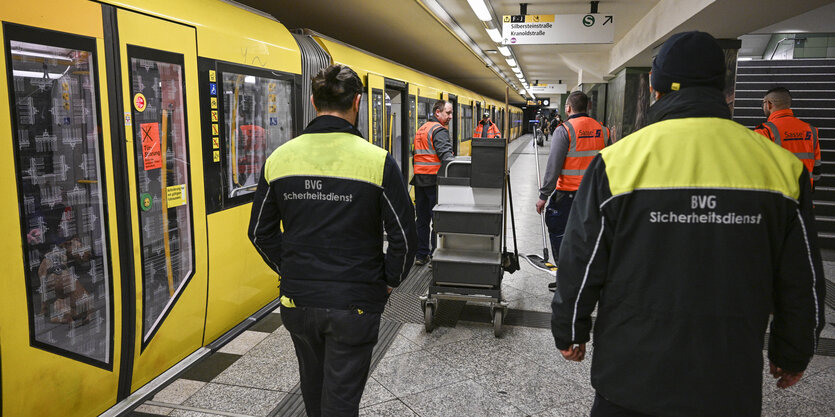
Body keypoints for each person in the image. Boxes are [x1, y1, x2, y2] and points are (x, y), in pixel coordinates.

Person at [550, 31, 826, 417]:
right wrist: (794, 349)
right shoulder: (780, 167)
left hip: (629, 377)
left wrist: (570, 329)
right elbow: (802, 275)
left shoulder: (617, 162)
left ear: (653, 87)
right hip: (727, 380)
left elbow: (581, 257)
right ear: (723, 87)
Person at [248, 64, 417, 417]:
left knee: (313, 389)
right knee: (341, 401)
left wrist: (292, 268)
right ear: (357, 102)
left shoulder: (279, 159)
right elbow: (404, 236)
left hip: (298, 302)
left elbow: (259, 233)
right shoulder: (378, 162)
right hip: (355, 302)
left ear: (313, 102)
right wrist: (387, 282)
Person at [535, 91, 609, 291]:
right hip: (594, 194)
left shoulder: (564, 130)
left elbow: (553, 167)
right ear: (588, 108)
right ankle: (586, 279)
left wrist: (543, 196)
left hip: (567, 195)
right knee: (587, 236)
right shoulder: (603, 130)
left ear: (568, 108)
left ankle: (566, 279)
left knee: (560, 233)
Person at [411, 100, 454, 265]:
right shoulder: (439, 130)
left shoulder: (422, 129)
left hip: (419, 181)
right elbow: (446, 157)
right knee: (437, 220)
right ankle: (435, 255)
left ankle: (421, 255)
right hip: (434, 182)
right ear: (438, 112)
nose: (450, 116)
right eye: (448, 113)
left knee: (421, 220)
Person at [755, 86, 821, 189]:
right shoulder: (811, 130)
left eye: (763, 103)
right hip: (804, 194)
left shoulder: (764, 131)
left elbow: (756, 168)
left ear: (769, 104)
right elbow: (817, 167)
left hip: (778, 196)